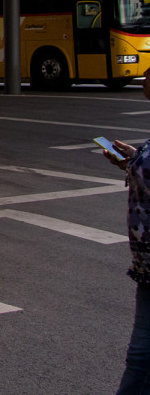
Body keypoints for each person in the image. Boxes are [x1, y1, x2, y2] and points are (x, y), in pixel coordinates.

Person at [105, 78, 150, 393]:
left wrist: (135, 161)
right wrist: (133, 159)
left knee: (140, 356)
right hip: (147, 266)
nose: (146, 76)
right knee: (141, 355)